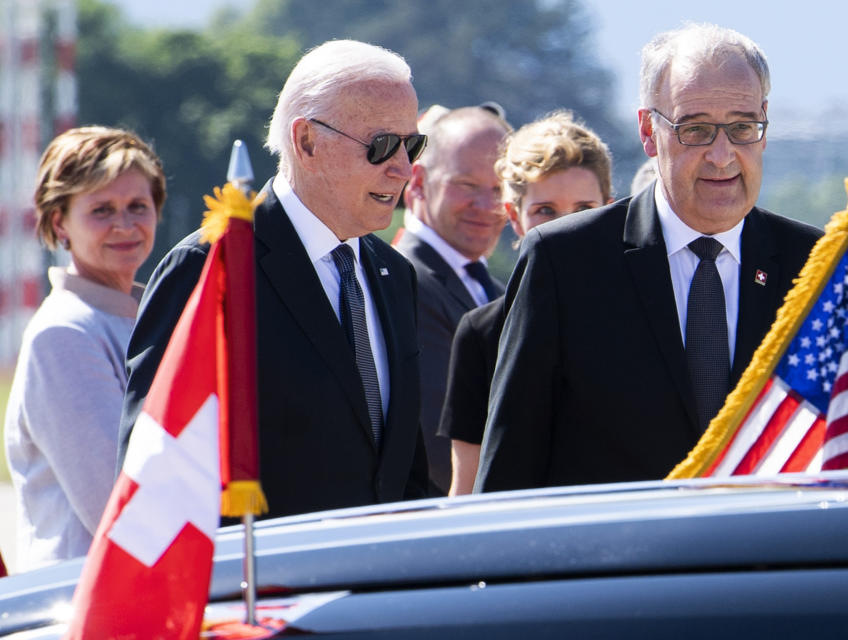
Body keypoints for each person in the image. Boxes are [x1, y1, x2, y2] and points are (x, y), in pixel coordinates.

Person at [475, 23, 823, 492]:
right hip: (617, 562)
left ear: (764, 125)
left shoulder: (815, 266)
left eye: (742, 128)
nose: (722, 156)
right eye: (695, 130)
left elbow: (847, 459)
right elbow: (511, 467)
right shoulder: (566, 262)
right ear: (648, 131)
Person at [117, 40, 430, 518]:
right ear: (306, 142)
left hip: (378, 582)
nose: (403, 168)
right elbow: (159, 475)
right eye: (383, 145)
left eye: (413, 145)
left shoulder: (392, 275)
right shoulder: (210, 267)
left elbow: (402, 470)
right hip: (262, 585)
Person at [4, 126, 164, 569]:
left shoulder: (146, 319)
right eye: (101, 210)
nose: (124, 225)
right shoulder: (65, 334)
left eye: (137, 206)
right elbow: (118, 507)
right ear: (60, 222)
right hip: (81, 609)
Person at [439, 111, 615, 495]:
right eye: (545, 212)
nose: (567, 228)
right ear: (513, 217)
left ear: (611, 209)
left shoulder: (649, 315)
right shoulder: (481, 333)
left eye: (584, 211)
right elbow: (466, 490)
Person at [395, 106, 511, 494]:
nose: (487, 206)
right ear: (419, 182)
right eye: (467, 185)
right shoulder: (404, 280)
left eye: (499, 190)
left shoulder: (494, 289)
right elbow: (438, 444)